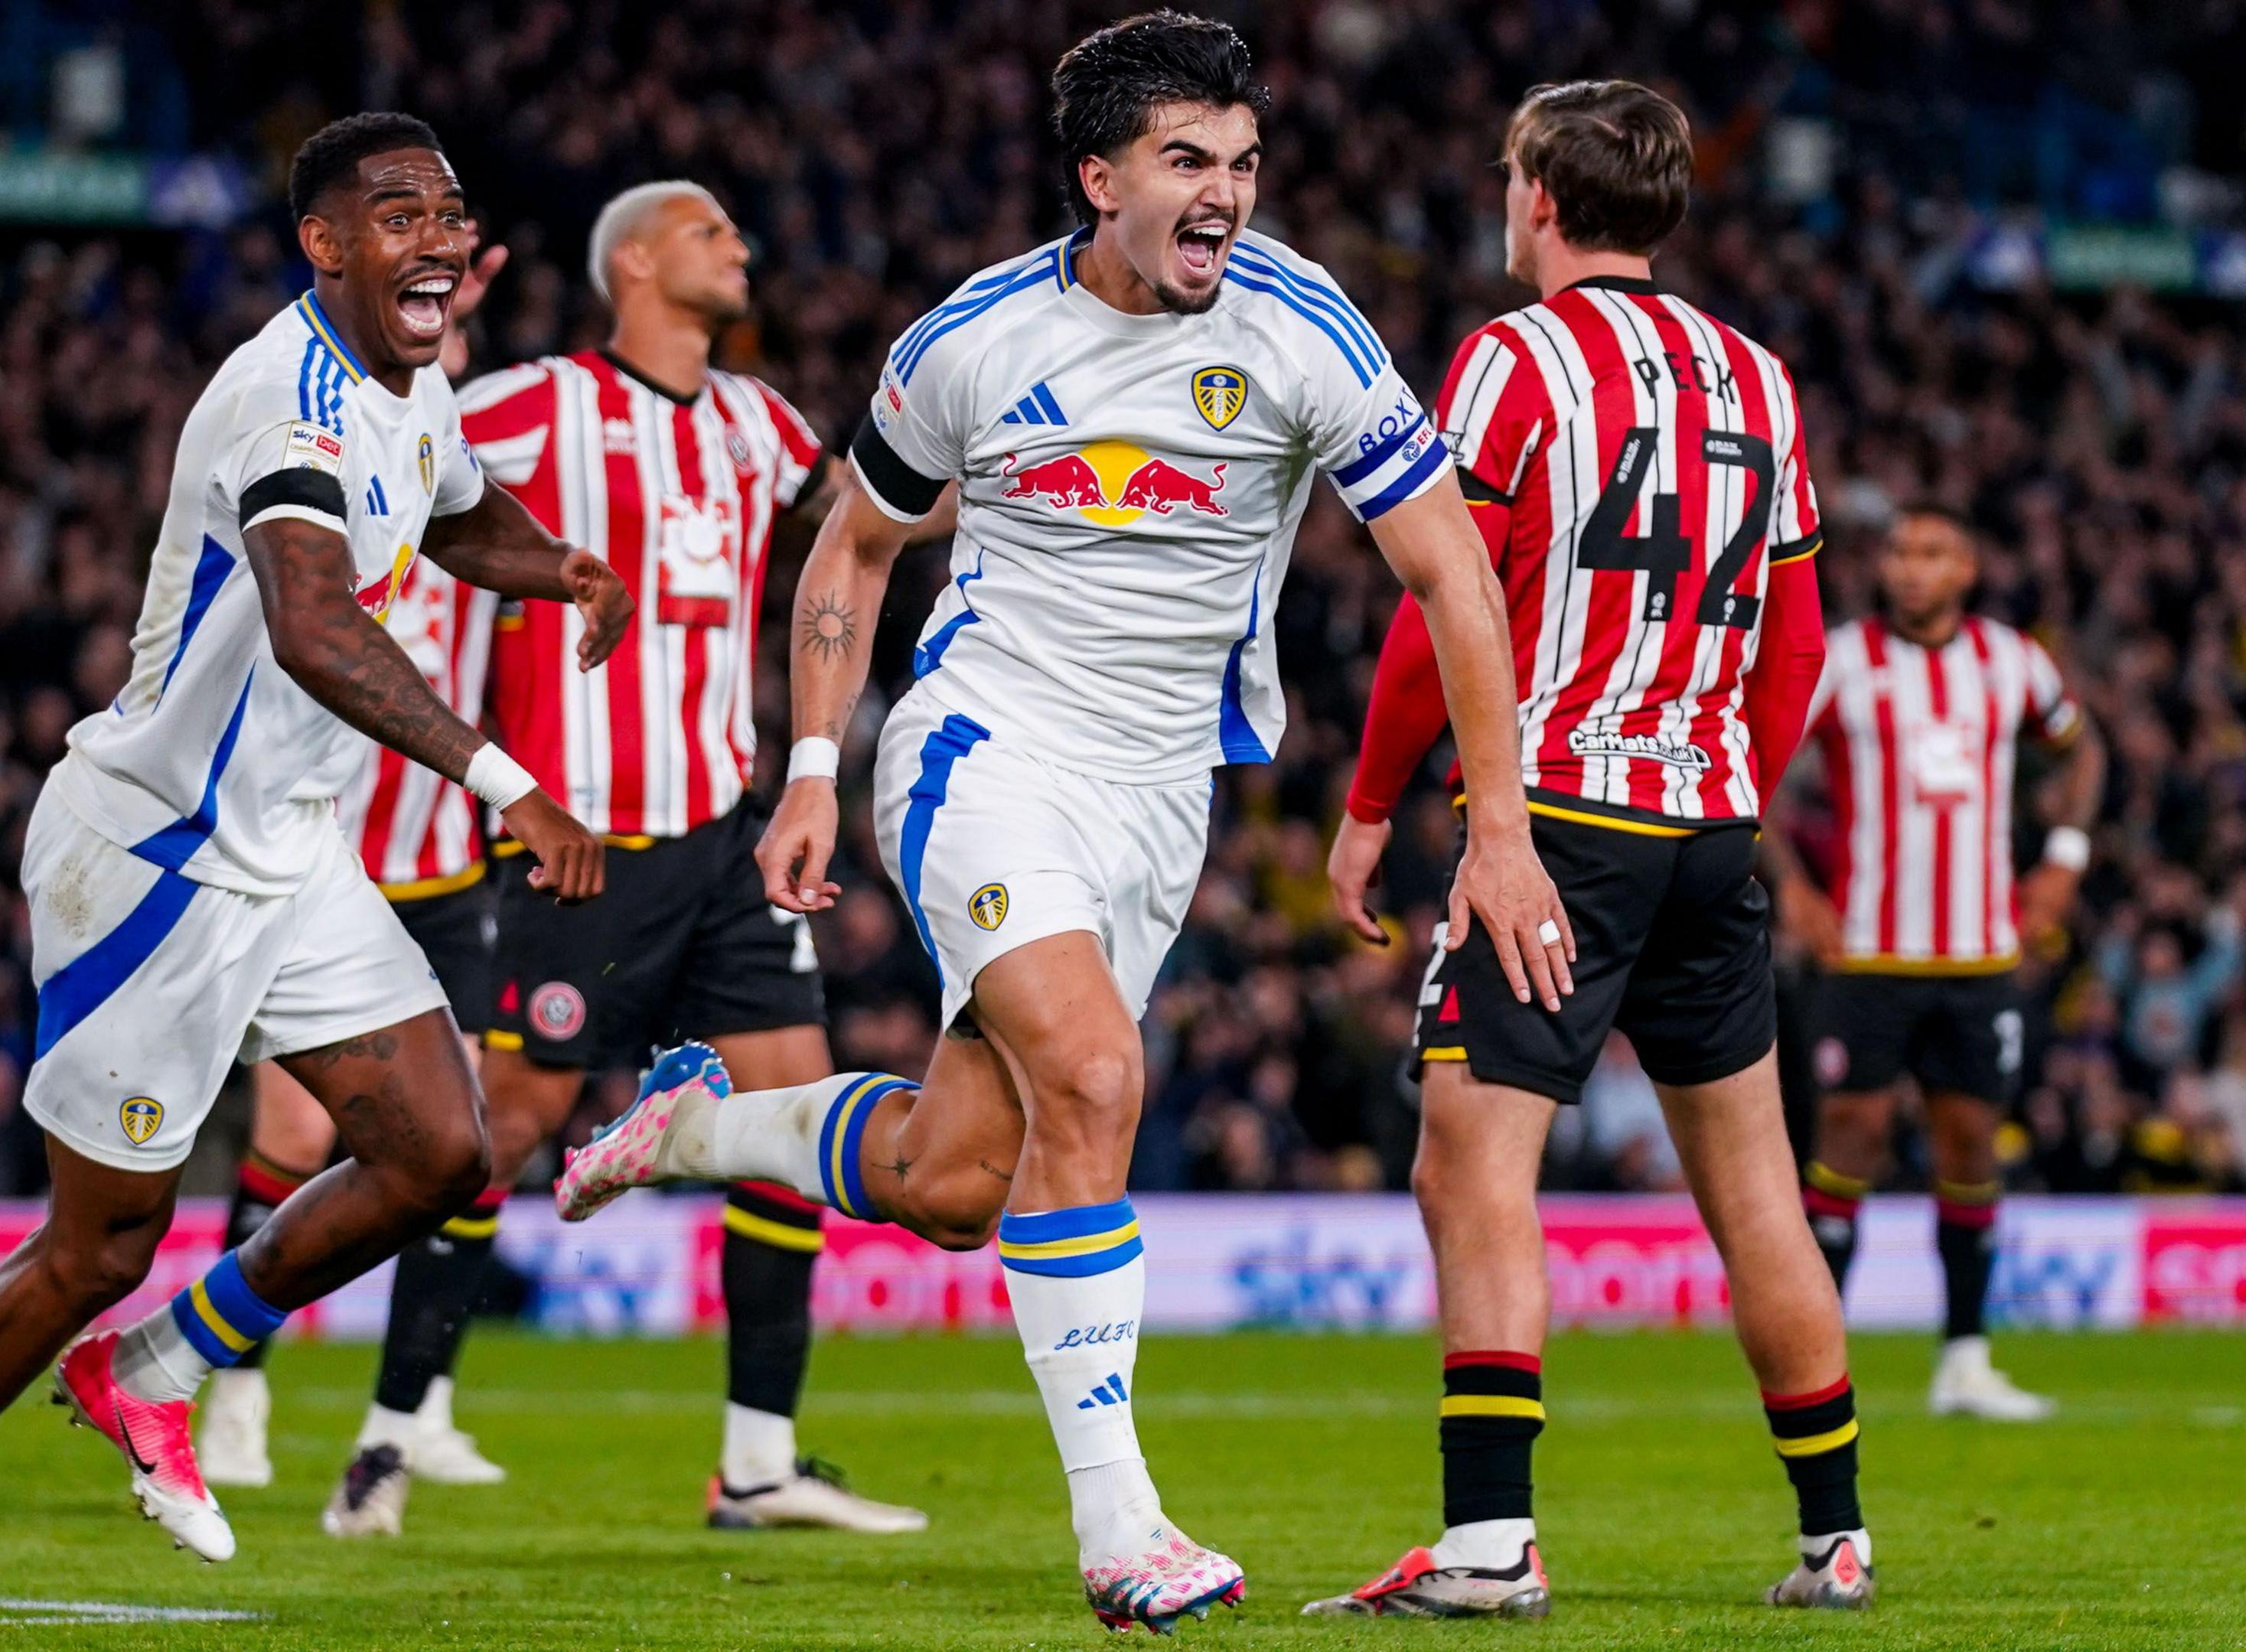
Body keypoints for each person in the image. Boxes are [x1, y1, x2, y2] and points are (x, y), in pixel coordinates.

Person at [550, 11, 1563, 1630]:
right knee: (1097, 1071)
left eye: (1241, 162)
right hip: (986, 747)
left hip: (1162, 796)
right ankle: (1123, 1528)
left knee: (959, 1177)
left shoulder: (1307, 327)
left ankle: (690, 1126)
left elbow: (1454, 572)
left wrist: (1494, 825)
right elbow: (853, 547)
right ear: (1098, 177)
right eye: (1185, 161)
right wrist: (812, 763)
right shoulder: (974, 338)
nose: (1224, 193)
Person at [0, 112, 632, 1629]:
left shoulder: (411, 384)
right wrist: (503, 778)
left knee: (440, 1151)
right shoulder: (286, 400)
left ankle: (162, 1364)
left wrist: (561, 564)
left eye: (449, 212)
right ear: (323, 243)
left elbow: (452, 509)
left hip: (289, 850)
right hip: (155, 859)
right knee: (99, 1239)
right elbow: (315, 623)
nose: (439, 239)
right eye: (397, 215)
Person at [1307, 80, 1867, 1618]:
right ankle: (1837, 1529)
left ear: (1541, 197)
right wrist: (1729, 789)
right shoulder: (1758, 373)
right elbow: (1800, 628)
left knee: (1473, 1160)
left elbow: (1454, 606)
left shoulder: (1513, 356)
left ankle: (1488, 1539)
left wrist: (1371, 803)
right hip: (1704, 822)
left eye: (1511, 180)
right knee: (1755, 1186)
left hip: (1555, 822)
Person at [319, 178, 936, 1537]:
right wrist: (407, 359)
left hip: (724, 837)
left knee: (794, 1117)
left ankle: (760, 1460)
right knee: (500, 1130)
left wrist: (999, 459)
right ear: (642, 262)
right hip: (585, 847)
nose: (746, 246)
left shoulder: (761, 421)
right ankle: (391, 1421)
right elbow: (394, 462)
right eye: (717, 230)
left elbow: (874, 517)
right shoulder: (540, 405)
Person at [191, 541, 520, 1532]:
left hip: (453, 878)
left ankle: (421, 1405)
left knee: (465, 1138)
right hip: (323, 871)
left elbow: (509, 678)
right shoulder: (325, 515)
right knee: (292, 1140)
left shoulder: (475, 515)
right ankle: (235, 1391)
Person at [1765, 504, 2104, 1420]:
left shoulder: (2012, 662)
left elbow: (2084, 753)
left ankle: (1965, 1356)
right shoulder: (1841, 659)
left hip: (1978, 953)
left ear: (1967, 568)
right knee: (1852, 1137)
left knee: (1967, 1142)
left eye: (1933, 553)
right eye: (1900, 553)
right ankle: (1814, 1354)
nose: (1911, 568)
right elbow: (1754, 766)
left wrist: (2062, 864)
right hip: (1869, 950)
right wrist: (1793, 888)